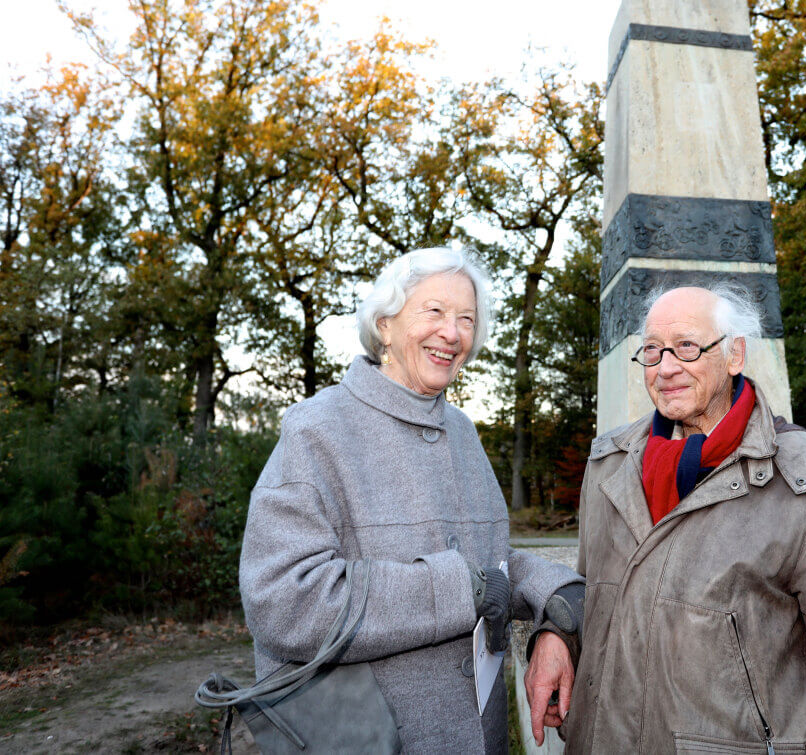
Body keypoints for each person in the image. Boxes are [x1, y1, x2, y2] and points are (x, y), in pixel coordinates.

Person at [536, 284, 806, 753]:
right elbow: (593, 592)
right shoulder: (608, 465)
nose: (666, 367)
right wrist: (558, 633)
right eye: (653, 351)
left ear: (735, 354)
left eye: (687, 347)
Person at [239, 246, 582, 753]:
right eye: (435, 312)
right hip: (366, 739)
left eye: (466, 319)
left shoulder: (463, 431)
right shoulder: (316, 429)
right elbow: (285, 601)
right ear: (384, 325)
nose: (453, 333)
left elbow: (492, 567)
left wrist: (560, 603)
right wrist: (457, 590)